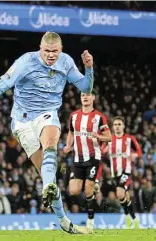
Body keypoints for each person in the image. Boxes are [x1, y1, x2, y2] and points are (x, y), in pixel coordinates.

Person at [0, 31, 93, 234]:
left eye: (54, 51)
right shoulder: (25, 62)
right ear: (40, 48)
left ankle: (49, 189)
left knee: (50, 144)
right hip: (22, 122)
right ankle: (64, 220)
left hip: (47, 114)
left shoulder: (66, 62)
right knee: (46, 172)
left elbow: (85, 86)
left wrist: (89, 68)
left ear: (61, 49)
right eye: (47, 51)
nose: (50, 55)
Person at [63, 91, 111, 229]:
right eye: (83, 95)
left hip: (93, 157)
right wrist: (68, 145)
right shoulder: (74, 116)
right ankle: (93, 183)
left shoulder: (99, 117)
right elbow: (71, 133)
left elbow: (109, 137)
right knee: (73, 190)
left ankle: (90, 221)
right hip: (78, 158)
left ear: (93, 98)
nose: (85, 97)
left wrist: (98, 136)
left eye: (88, 95)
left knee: (88, 189)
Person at [103, 116, 142, 228]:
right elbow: (102, 152)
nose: (117, 127)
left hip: (126, 170)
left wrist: (134, 155)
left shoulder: (130, 139)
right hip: (115, 172)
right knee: (125, 197)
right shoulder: (109, 140)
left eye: (119, 124)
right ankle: (134, 218)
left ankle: (127, 216)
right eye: (115, 125)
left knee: (119, 193)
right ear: (112, 127)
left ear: (123, 126)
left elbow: (139, 152)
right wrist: (104, 151)